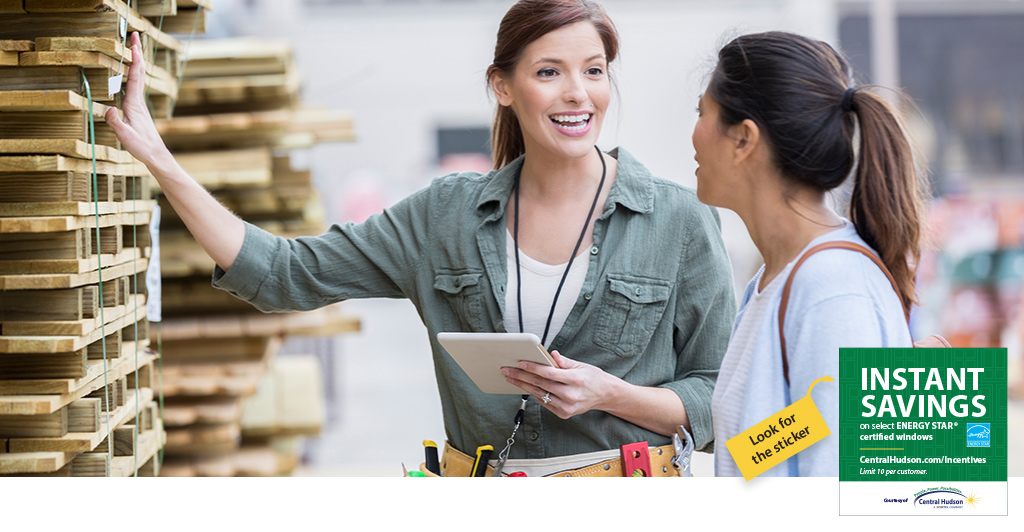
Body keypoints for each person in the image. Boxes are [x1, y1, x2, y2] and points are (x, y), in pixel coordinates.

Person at [107, 0, 736, 476]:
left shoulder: (678, 223)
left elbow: (720, 396)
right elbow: (282, 274)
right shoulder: (444, 218)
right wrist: (158, 157)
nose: (578, 93)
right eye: (549, 71)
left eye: (594, 70)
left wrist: (613, 395)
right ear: (503, 86)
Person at [693, 31, 925, 476]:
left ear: (743, 139)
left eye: (701, 112)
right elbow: (809, 431)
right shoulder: (779, 280)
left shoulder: (834, 289)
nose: (694, 134)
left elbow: (846, 485)